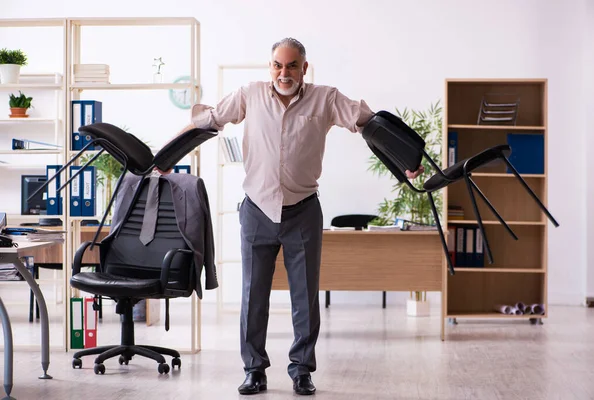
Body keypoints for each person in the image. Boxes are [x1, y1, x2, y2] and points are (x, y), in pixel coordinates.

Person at [171, 37, 424, 396]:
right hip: (257, 210)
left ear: (304, 67)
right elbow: (208, 120)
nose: (283, 72)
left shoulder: (326, 98)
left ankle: (302, 371)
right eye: (277, 65)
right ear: (269, 66)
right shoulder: (249, 94)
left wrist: (406, 163)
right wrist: (164, 157)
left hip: (303, 211)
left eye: (291, 65)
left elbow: (370, 124)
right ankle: (254, 370)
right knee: (252, 295)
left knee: (304, 297)